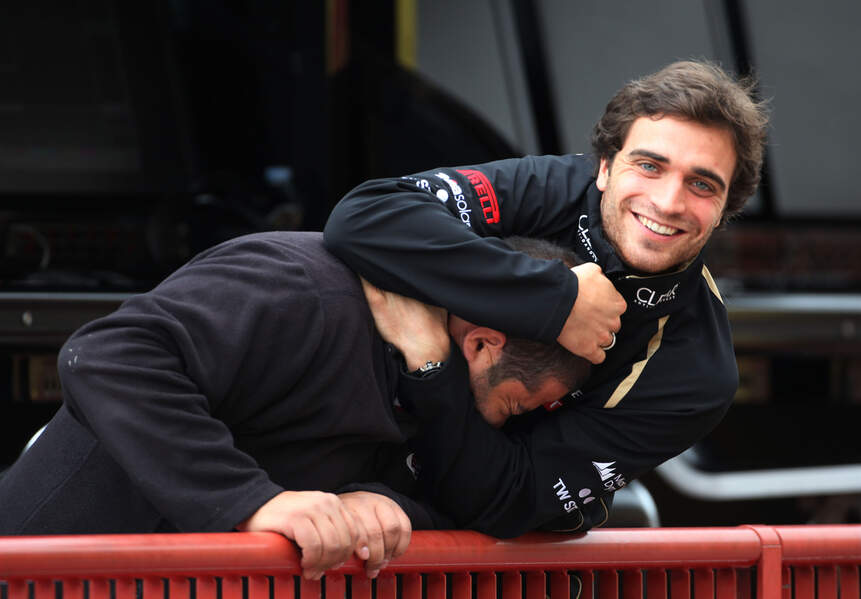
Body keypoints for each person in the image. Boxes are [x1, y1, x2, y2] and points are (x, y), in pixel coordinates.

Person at [323, 60, 769, 537]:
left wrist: (432, 365)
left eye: (702, 184)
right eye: (649, 166)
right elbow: (363, 216)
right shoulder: (555, 187)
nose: (668, 202)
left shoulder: (696, 371)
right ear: (603, 167)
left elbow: (507, 500)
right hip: (324, 449)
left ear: (725, 211)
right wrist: (555, 300)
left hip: (434, 535)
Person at [0, 232, 589, 579]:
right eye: (511, 408)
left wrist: (384, 506)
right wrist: (251, 500)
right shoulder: (302, 290)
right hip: (48, 577)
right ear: (483, 344)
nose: (499, 432)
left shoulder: (436, 377)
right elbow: (109, 357)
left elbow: (471, 494)